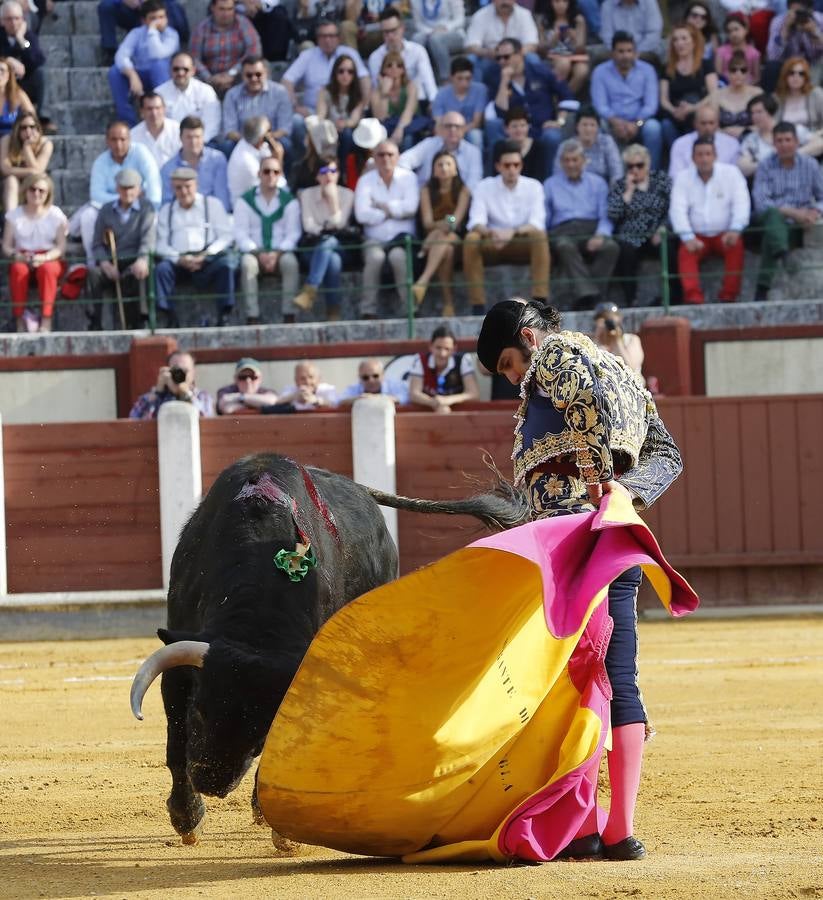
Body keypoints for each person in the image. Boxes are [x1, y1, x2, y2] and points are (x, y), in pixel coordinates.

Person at [475, 297, 684, 862]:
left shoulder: (556, 355)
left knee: (579, 679)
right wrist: (624, 493)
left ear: (527, 336)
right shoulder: (622, 369)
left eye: (509, 364)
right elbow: (667, 454)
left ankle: (593, 824)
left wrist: (600, 480)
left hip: (576, 544)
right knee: (616, 674)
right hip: (609, 540)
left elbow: (593, 412)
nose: (515, 378)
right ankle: (612, 829)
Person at [463, 140, 549, 315]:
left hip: (521, 241)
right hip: (493, 241)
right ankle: (477, 305)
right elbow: (475, 221)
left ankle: (540, 302)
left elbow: (537, 222)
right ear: (498, 166)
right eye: (507, 165)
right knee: (471, 239)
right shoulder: (484, 186)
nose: (512, 169)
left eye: (516, 164)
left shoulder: (534, 186)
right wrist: (492, 233)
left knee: (540, 236)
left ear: (521, 165)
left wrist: (513, 232)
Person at [669, 136, 750, 304]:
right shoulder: (683, 178)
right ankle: (693, 297)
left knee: (736, 245)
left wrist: (735, 229)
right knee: (685, 251)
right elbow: (677, 210)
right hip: (696, 237)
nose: (704, 158)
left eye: (708, 154)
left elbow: (742, 203)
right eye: (700, 154)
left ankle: (729, 296)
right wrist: (688, 237)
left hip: (725, 235)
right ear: (693, 158)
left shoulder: (731, 173)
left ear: (715, 156)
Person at [154, 166, 235, 327]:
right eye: (178, 188)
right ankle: (169, 316)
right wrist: (178, 258)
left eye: (187, 187)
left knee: (226, 266)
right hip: (179, 260)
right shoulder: (166, 211)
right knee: (161, 270)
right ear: (172, 188)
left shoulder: (212, 205)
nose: (184, 192)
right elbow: (160, 243)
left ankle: (224, 315)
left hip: (207, 257)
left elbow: (226, 235)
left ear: (196, 185)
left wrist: (207, 254)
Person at [751, 121, 823, 301]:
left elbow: (822, 196)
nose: (784, 145)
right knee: (774, 216)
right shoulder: (766, 165)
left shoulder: (810, 164)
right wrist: (791, 212)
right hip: (770, 219)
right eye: (779, 141)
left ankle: (763, 287)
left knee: (772, 238)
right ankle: (783, 255)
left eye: (788, 140)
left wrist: (815, 211)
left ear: (797, 142)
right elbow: (761, 202)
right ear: (774, 144)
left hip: (796, 226)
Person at [544, 137, 619, 311]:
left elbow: (605, 215)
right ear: (561, 163)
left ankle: (586, 296)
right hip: (562, 230)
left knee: (611, 247)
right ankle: (593, 296)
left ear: (584, 161)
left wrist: (600, 235)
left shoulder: (598, 183)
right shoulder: (550, 184)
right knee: (564, 246)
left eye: (575, 160)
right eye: (567, 160)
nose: (571, 165)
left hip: (591, 228)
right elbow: (546, 219)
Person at [76, 120, 161, 266]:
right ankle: (95, 264)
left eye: (123, 139)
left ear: (130, 139)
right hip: (110, 210)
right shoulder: (101, 162)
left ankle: (146, 262)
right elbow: (96, 195)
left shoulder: (142, 153)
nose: (118, 144)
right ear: (107, 141)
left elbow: (154, 187)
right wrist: (126, 197)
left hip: (141, 208)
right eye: (114, 140)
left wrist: (145, 205)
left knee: (154, 218)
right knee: (87, 217)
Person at [353, 138, 419, 318]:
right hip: (373, 240)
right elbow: (361, 214)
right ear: (374, 157)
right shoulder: (365, 181)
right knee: (375, 257)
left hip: (401, 240)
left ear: (397, 157)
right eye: (381, 155)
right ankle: (368, 310)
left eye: (390, 154)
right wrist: (394, 210)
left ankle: (410, 310)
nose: (385, 159)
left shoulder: (409, 178)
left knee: (398, 257)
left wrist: (381, 206)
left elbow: (411, 208)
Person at [487, 37, 571, 177]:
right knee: (493, 128)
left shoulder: (541, 71)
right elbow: (500, 112)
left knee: (552, 137)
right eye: (499, 58)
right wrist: (504, 82)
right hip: (514, 131)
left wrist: (559, 121)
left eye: (506, 57)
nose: (502, 62)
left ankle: (549, 181)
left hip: (542, 128)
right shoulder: (495, 77)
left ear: (520, 54)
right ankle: (496, 180)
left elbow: (567, 97)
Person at [86, 168, 156, 330]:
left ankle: (140, 320)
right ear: (117, 188)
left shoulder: (147, 208)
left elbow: (148, 238)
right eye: (123, 187)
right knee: (92, 274)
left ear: (139, 189)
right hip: (112, 260)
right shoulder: (106, 210)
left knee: (140, 272)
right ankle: (94, 321)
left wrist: (142, 259)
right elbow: (97, 243)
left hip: (135, 259)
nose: (127, 191)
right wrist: (104, 263)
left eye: (131, 187)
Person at [235, 155, 300, 325]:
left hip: (280, 252)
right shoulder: (244, 201)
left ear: (280, 175)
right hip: (255, 252)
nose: (270, 175)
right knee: (247, 264)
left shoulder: (290, 202)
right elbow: (241, 233)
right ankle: (252, 316)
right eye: (266, 171)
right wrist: (258, 253)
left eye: (275, 172)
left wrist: (277, 253)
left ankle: (289, 314)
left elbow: (293, 233)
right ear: (259, 174)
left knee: (291, 263)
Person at [2, 172, 66, 333]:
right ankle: (19, 321)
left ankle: (46, 320)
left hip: (48, 257)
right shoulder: (14, 215)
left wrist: (45, 257)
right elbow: (6, 246)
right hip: (22, 257)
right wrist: (16, 256)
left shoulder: (55, 214)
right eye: (32, 189)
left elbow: (61, 247)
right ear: (25, 191)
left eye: (41, 190)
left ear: (47, 193)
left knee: (48, 270)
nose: (36, 193)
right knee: (18, 269)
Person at [607, 143, 671, 305]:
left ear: (647, 164)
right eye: (630, 166)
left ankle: (672, 296)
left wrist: (663, 227)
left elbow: (673, 208)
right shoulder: (620, 185)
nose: (635, 170)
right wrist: (628, 192)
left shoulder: (661, 180)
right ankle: (630, 299)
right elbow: (613, 214)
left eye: (639, 165)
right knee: (625, 250)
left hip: (656, 232)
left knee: (669, 247)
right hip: (631, 236)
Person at [293, 157, 356, 321]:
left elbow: (340, 224)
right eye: (324, 171)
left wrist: (333, 201)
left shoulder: (347, 195)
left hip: (341, 246)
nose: (328, 175)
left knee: (329, 243)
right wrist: (327, 228)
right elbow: (308, 226)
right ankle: (333, 310)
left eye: (333, 171)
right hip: (313, 247)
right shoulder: (306, 194)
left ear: (338, 174)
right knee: (332, 260)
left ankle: (310, 289)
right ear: (317, 177)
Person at [282, 19, 370, 133]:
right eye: (323, 36)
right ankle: (310, 150)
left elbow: (364, 79)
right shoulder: (307, 56)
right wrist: (295, 106)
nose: (327, 40)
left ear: (339, 38)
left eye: (331, 36)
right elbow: (287, 81)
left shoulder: (349, 53)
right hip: (312, 112)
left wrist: (363, 107)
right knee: (296, 121)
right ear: (317, 38)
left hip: (343, 111)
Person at [590, 32, 663, 169]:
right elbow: (600, 105)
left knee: (653, 128)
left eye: (629, 51)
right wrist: (615, 121)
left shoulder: (647, 70)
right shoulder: (600, 72)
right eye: (621, 51)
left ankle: (652, 174)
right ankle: (607, 173)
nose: (626, 56)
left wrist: (636, 124)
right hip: (611, 122)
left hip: (640, 122)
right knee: (598, 126)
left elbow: (650, 106)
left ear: (635, 52)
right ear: (612, 53)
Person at [412, 149, 470, 316]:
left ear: (455, 169)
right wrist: (442, 225)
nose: (444, 168)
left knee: (445, 237)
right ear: (433, 170)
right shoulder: (426, 191)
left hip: (458, 240)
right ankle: (448, 305)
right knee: (447, 249)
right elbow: (427, 223)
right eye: (439, 165)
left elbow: (455, 222)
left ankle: (423, 281)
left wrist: (437, 230)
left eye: (448, 164)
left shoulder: (463, 191)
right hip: (443, 243)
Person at [108, 0, 179, 127]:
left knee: (159, 65)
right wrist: (132, 75)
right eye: (153, 18)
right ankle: (128, 122)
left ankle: (164, 115)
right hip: (138, 76)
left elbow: (158, 53)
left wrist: (152, 31)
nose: (158, 22)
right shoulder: (136, 33)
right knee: (115, 72)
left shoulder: (172, 35)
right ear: (144, 20)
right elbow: (121, 56)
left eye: (161, 17)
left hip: (162, 77)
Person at [221, 55, 292, 162]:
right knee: (226, 146)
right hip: (243, 141)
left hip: (271, 140)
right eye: (249, 75)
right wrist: (251, 141)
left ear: (266, 73)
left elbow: (284, 128)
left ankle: (284, 176)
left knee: (286, 144)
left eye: (258, 74)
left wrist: (263, 140)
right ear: (242, 76)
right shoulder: (232, 95)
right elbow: (230, 130)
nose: (254, 79)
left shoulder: (279, 92)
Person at [659, 23, 719, 147]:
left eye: (684, 38)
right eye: (675, 40)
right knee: (665, 125)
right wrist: (675, 110)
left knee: (696, 113)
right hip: (675, 115)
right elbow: (663, 100)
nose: (679, 43)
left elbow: (714, 93)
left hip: (699, 111)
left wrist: (693, 108)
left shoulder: (706, 65)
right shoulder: (667, 68)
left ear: (694, 41)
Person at [189, 0, 262, 98]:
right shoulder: (201, 28)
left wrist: (231, 74)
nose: (226, 13)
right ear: (213, 8)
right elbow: (194, 58)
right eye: (222, 9)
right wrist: (209, 77)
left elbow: (254, 51)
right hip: (208, 80)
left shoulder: (243, 24)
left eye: (229, 9)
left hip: (238, 77)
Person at [464, 0, 538, 93]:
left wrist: (514, 55)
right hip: (491, 57)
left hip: (517, 56)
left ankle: (536, 93)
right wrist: (488, 52)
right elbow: (471, 45)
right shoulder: (481, 15)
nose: (504, 1)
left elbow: (532, 44)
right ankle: (477, 96)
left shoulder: (524, 14)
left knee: (532, 58)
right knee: (472, 60)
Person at [368, 6, 437, 104]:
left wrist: (434, 103)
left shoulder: (418, 51)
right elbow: (377, 89)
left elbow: (429, 83)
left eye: (393, 30)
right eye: (386, 32)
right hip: (389, 105)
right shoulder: (375, 58)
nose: (390, 36)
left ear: (402, 28)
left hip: (418, 103)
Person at [160, 114, 231, 210]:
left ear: (203, 138)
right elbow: (167, 205)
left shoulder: (217, 160)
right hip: (181, 217)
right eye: (189, 137)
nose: (193, 142)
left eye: (197, 137)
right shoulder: (168, 168)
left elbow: (222, 200)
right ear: (180, 138)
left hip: (211, 216)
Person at [738, 92, 817, 176]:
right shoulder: (751, 139)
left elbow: (819, 144)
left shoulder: (792, 129)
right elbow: (743, 166)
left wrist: (791, 155)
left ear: (770, 112)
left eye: (759, 112)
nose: (755, 116)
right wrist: (769, 163)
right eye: (752, 113)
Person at [398, 110, 482, 190]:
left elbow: (474, 183)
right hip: (425, 196)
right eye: (448, 126)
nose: (453, 130)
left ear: (464, 129)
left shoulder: (473, 152)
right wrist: (412, 184)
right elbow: (403, 161)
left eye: (457, 126)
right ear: (440, 128)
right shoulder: (428, 144)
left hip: (458, 199)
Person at [0, 1, 50, 131]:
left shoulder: (28, 37)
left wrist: (21, 40)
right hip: (3, 83)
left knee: (40, 73)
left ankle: (43, 117)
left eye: (17, 18)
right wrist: (7, 60)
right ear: (2, 21)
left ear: (22, 19)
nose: (13, 22)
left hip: (23, 83)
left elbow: (38, 60)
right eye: (9, 19)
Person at [407, 324, 480, 413]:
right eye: (438, 348)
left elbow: (474, 394)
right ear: (431, 346)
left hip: (458, 415)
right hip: (427, 414)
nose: (442, 354)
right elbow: (414, 394)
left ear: (454, 349)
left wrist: (448, 400)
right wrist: (435, 403)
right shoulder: (420, 360)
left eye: (447, 349)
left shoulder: (463, 360)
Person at [98, 0, 189, 69]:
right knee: (106, 6)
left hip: (157, 6)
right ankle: (110, 51)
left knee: (172, 6)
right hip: (133, 10)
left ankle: (177, 44)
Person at [155, 51, 222, 143]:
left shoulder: (206, 91)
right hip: (169, 144)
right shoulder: (159, 93)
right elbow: (157, 125)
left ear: (193, 70)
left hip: (201, 143)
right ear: (170, 70)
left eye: (185, 69)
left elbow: (212, 125)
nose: (180, 73)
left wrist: (196, 143)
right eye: (176, 69)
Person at [369, 50, 429, 152]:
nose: (394, 68)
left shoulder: (411, 87)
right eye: (389, 65)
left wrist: (399, 130)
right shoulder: (376, 92)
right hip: (388, 127)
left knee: (407, 139)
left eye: (399, 65)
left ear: (403, 70)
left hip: (408, 126)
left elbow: (408, 112)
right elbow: (380, 117)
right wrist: (384, 94)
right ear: (383, 70)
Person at [129, 350, 215, 418]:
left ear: (193, 373)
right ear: (168, 370)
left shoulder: (203, 396)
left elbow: (207, 421)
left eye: (185, 370)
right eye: (176, 370)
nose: (180, 374)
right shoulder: (153, 397)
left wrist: (186, 394)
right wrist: (157, 393)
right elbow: (135, 424)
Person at [316, 53, 367, 167]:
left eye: (350, 71)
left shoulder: (358, 94)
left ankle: (342, 170)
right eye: (341, 71)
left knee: (347, 134)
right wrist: (333, 125)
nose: (345, 75)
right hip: (329, 131)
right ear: (335, 73)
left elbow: (354, 120)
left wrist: (344, 124)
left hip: (350, 133)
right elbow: (321, 115)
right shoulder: (325, 92)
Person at [668, 103, 741, 179]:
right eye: (703, 123)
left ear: (717, 124)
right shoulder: (680, 144)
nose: (707, 127)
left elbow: (735, 176)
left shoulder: (732, 144)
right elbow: (675, 176)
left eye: (711, 123)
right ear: (695, 124)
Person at [0, 109, 51, 211]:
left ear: (38, 128)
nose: (28, 131)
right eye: (23, 128)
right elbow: (5, 169)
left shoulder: (46, 144)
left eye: (32, 127)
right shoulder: (7, 140)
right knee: (11, 180)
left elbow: (38, 173)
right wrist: (31, 171)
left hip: (33, 184)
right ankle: (11, 220)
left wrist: (27, 148)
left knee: (38, 184)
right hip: (9, 185)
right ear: (17, 130)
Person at [534, 0, 589, 94]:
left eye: (564, 1)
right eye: (557, 1)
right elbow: (540, 48)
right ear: (551, 3)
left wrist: (574, 37)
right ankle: (555, 98)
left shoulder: (578, 19)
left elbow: (581, 48)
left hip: (574, 55)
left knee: (582, 70)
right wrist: (553, 40)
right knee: (564, 63)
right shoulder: (544, 20)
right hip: (552, 56)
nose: (561, 5)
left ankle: (565, 99)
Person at [431, 57, 487, 150]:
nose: (464, 83)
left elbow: (476, 122)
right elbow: (439, 122)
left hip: (470, 130)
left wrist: (458, 131)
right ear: (451, 77)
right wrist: (452, 133)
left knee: (475, 136)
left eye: (468, 78)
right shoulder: (441, 94)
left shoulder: (480, 90)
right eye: (460, 78)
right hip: (447, 131)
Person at [226, 114, 282, 206]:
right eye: (269, 131)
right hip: (248, 208)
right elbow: (273, 187)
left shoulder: (255, 144)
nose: (271, 135)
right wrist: (279, 160)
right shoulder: (246, 162)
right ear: (261, 138)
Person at [408, 0, 466, 86]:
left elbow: (460, 20)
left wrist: (445, 28)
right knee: (416, 39)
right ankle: (417, 80)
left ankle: (446, 79)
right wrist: (430, 32)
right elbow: (418, 24)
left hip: (452, 32)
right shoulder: (415, 1)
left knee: (436, 40)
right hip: (427, 32)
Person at [565, 105, 623, 186]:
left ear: (598, 127)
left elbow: (617, 174)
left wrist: (613, 196)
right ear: (577, 126)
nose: (588, 129)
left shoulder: (607, 142)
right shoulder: (567, 146)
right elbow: (559, 176)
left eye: (592, 125)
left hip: (602, 193)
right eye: (584, 125)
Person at [774, 56, 823, 141]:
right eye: (791, 73)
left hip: (813, 140)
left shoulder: (816, 94)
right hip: (784, 142)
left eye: (801, 74)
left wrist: (816, 136)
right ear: (785, 76)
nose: (796, 77)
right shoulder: (777, 98)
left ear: (806, 77)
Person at [598, 0, 663, 62]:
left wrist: (635, 53)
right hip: (617, 53)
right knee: (600, 59)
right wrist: (621, 52)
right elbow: (607, 36)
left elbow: (654, 34)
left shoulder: (649, 2)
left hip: (645, 52)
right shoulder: (607, 5)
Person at [715, 51, 761, 139]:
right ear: (727, 73)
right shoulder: (718, 94)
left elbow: (763, 123)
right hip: (723, 139)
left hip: (750, 138)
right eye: (733, 70)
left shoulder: (757, 93)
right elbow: (711, 123)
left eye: (743, 70)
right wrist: (725, 132)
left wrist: (745, 130)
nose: (738, 73)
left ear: (747, 73)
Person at [592, 300, 644, 375]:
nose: (607, 323)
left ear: (619, 318)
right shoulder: (591, 343)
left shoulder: (631, 339)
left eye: (610, 318)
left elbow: (630, 369)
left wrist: (617, 341)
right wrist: (598, 341)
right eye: (603, 319)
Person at [131, 91, 181, 167]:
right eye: (149, 109)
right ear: (142, 111)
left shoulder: (178, 130)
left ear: (164, 109)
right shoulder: (133, 135)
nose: (154, 113)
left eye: (157, 108)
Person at [497, 107, 548, 181]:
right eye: (514, 126)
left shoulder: (538, 147)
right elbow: (496, 174)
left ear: (528, 127)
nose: (519, 130)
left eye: (523, 125)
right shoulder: (499, 146)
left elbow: (540, 176)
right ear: (506, 129)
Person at [337, 357, 409, 405]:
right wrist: (359, 398)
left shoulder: (395, 385)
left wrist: (380, 398)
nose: (371, 380)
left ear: (383, 375)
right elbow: (339, 400)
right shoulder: (354, 388)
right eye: (365, 377)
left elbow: (406, 397)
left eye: (375, 376)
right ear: (359, 378)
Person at [715, 12, 761, 85]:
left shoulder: (754, 53)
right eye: (729, 31)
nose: (733, 34)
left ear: (746, 30)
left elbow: (757, 77)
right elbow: (718, 75)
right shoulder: (721, 51)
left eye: (736, 29)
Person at [0, 55, 32, 139]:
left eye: (2, 70)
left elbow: (31, 118)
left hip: (14, 141)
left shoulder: (18, 94)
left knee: (47, 144)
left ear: (9, 75)